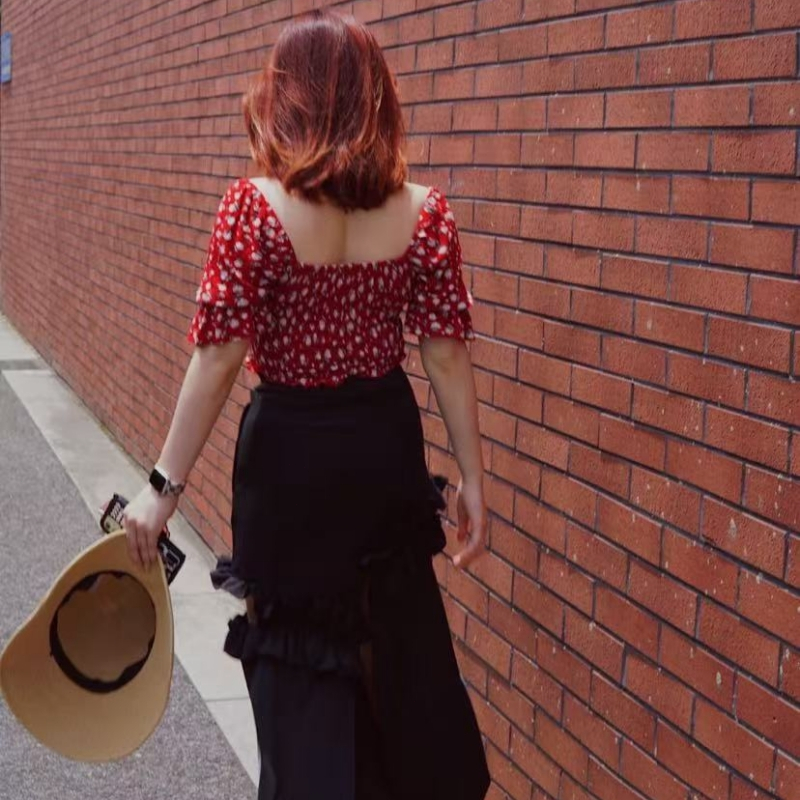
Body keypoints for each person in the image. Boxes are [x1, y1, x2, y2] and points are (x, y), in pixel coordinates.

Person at [121, 9, 491, 800]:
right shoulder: (424, 212)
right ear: (373, 97)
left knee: (298, 671)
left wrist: (162, 489)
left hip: (290, 460)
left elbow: (219, 357)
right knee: (391, 658)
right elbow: (444, 352)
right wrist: (473, 478)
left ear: (285, 96)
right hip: (384, 450)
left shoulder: (252, 208)